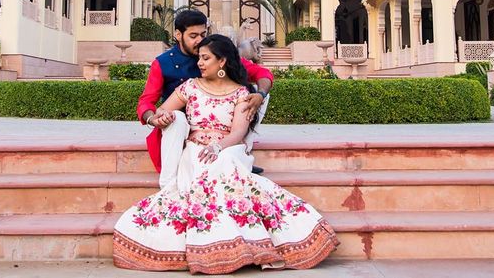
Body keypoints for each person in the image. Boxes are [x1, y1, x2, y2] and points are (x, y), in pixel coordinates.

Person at [113, 35, 338, 274]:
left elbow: (238, 132)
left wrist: (217, 147)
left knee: (225, 164)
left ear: (221, 62)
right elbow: (161, 111)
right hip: (195, 150)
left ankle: (242, 245)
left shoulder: (242, 93)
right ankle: (219, 246)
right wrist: (162, 117)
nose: (199, 63)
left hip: (228, 148)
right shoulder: (190, 87)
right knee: (204, 166)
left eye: (205, 58)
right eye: (199, 58)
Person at [137, 10, 272, 187]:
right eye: (193, 36)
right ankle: (169, 184)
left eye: (203, 34)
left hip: (224, 128)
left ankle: (240, 151)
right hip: (179, 127)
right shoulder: (163, 63)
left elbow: (262, 73)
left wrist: (260, 94)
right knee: (177, 118)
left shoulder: (215, 52)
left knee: (256, 93)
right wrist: (153, 118)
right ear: (178, 35)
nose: (199, 40)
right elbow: (146, 101)